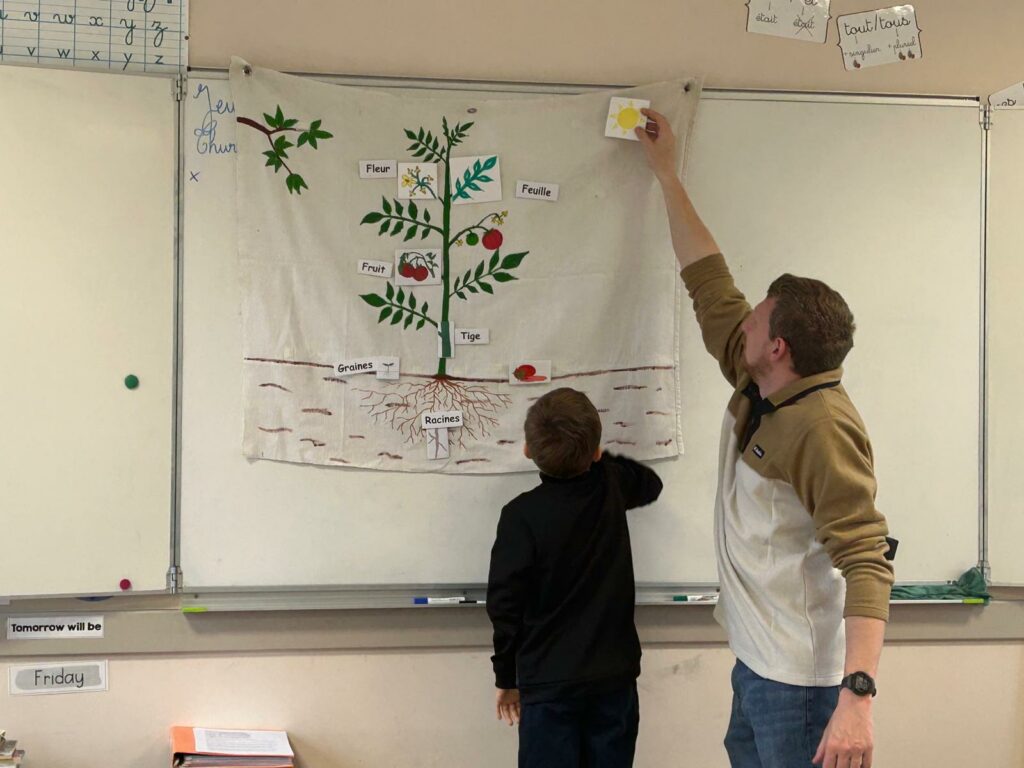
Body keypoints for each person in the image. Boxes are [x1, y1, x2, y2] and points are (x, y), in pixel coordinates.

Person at [635, 109, 894, 768]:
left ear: (778, 347)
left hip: (799, 682)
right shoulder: (763, 383)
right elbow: (708, 282)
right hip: (757, 660)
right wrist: (666, 173)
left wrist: (857, 697)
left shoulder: (820, 427)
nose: (742, 322)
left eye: (754, 320)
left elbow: (867, 559)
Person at [486, 387, 663, 768]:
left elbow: (504, 605)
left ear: (527, 450)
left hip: (548, 684)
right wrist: (600, 461)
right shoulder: (611, 486)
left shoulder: (520, 516)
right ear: (596, 452)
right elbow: (650, 483)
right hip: (613, 680)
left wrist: (506, 677)